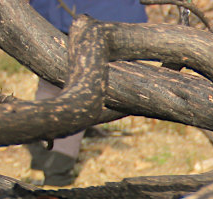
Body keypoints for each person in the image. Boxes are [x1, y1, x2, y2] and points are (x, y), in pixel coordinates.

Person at [26, 0, 148, 185]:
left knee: (52, 81)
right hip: (103, 14)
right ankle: (57, 168)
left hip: (58, 12)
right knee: (82, 88)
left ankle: (42, 153)